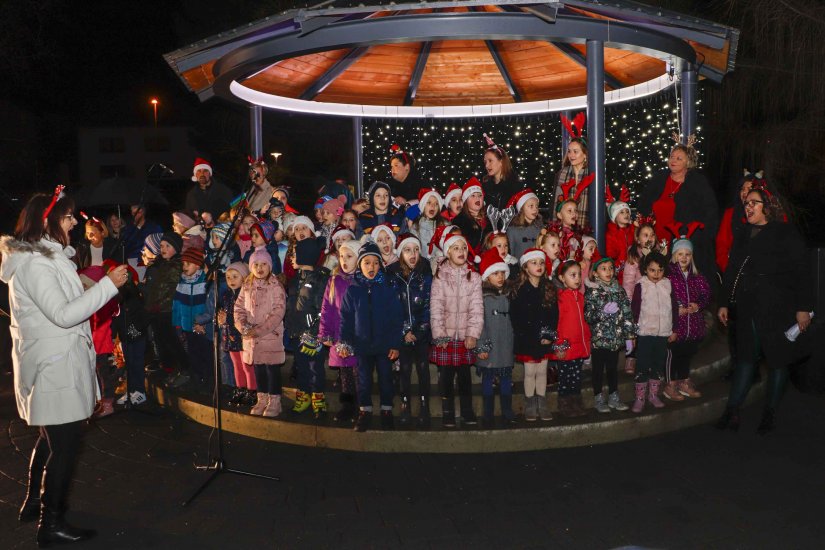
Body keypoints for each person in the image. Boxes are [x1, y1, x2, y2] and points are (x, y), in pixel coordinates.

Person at [0, 187, 129, 546]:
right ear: (49, 220)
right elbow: (63, 314)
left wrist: (88, 284)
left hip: (57, 361)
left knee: (51, 438)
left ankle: (33, 505)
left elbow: (63, 298)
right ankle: (50, 522)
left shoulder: (49, 258)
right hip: (54, 366)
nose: (75, 222)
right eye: (69, 216)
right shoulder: (37, 264)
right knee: (66, 445)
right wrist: (107, 286)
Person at [716, 184, 813, 434]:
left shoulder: (784, 232)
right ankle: (732, 410)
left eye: (753, 203)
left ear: (767, 207)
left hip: (778, 305)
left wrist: (804, 308)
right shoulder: (743, 233)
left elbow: (802, 271)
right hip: (748, 304)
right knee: (746, 358)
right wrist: (724, 302)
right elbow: (732, 270)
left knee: (778, 360)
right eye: (746, 203)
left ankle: (769, 413)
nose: (748, 207)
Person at [339, 241, 404, 432]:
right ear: (360, 264)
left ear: (380, 265)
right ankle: (364, 411)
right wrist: (345, 341)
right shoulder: (353, 290)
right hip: (362, 346)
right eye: (367, 262)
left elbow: (396, 318)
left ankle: (386, 411)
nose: (371, 267)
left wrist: (395, 344)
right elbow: (346, 319)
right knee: (363, 381)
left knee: (386, 379)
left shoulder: (388, 289)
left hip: (384, 346)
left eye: (375, 263)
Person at [637, 137, 718, 284]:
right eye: (672, 157)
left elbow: (710, 210)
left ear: (688, 162)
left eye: (679, 158)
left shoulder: (697, 182)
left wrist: (702, 235)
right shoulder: (659, 178)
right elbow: (643, 204)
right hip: (655, 239)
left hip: (682, 240)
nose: (673, 160)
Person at [429, 232, 483, 428]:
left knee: (464, 376)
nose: (461, 251)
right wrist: (440, 335)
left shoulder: (474, 277)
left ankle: (467, 410)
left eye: (464, 248)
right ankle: (448, 411)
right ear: (448, 252)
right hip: (446, 337)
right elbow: (436, 308)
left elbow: (477, 308)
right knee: (445, 376)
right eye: (456, 248)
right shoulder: (440, 277)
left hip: (464, 338)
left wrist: (472, 334)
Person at [387, 234, 433, 428]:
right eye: (407, 250)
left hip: (421, 334)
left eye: (416, 250)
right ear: (401, 253)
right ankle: (405, 404)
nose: (413, 254)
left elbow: (428, 305)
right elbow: (391, 307)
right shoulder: (392, 274)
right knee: (404, 370)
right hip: (402, 334)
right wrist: (404, 331)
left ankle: (424, 405)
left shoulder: (425, 272)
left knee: (423, 370)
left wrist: (419, 331)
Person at [235, 249, 287, 417]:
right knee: (259, 370)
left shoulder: (275, 286)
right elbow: (239, 308)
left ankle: (275, 401)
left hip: (270, 336)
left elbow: (278, 312)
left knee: (272, 370)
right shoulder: (247, 285)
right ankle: (262, 399)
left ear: (270, 266)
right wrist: (242, 326)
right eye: (256, 265)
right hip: (251, 338)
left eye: (264, 264)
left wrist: (258, 330)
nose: (260, 268)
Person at [664, 228, 711, 401]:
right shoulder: (668, 276)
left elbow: (706, 294)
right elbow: (663, 297)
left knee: (686, 354)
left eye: (688, 254)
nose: (684, 258)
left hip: (693, 326)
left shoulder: (697, 278)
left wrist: (698, 306)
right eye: (680, 254)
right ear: (674, 255)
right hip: (676, 325)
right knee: (673, 355)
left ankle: (684, 381)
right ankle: (670, 384)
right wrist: (676, 309)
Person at [511, 249, 557, 422]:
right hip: (527, 338)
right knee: (530, 372)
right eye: (534, 262)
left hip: (543, 337)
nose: (538, 266)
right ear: (525, 266)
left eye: (541, 262)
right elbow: (515, 316)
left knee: (542, 371)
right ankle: (530, 402)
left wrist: (549, 334)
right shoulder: (519, 289)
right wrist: (522, 335)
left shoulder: (549, 287)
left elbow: (554, 314)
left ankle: (542, 401)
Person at [286, 237, 330, 418]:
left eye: (295, 254)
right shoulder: (295, 279)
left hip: (312, 334)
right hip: (297, 332)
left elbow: (323, 308)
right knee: (301, 367)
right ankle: (303, 396)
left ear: (305, 256)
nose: (291, 257)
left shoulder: (320, 278)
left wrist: (314, 332)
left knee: (315, 367)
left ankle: (318, 399)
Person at [584, 257, 635, 413]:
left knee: (613, 369)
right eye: (603, 268)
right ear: (596, 273)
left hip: (615, 339)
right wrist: (602, 312)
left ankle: (614, 396)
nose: (608, 271)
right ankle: (598, 398)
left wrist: (629, 337)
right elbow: (588, 316)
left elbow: (627, 314)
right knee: (598, 370)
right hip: (599, 341)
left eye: (610, 268)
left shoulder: (619, 290)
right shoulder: (592, 291)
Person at [318, 239, 361, 423]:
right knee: (345, 374)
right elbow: (327, 307)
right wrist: (325, 332)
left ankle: (361, 407)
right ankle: (347, 406)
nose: (344, 260)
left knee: (359, 373)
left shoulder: (362, 281)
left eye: (349, 256)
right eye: (342, 256)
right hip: (338, 335)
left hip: (358, 335)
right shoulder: (334, 280)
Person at [630, 252, 678, 413]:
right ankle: (640, 398)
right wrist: (633, 333)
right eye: (652, 270)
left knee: (658, 364)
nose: (656, 274)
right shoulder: (641, 285)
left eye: (659, 270)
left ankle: (653, 395)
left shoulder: (668, 284)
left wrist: (674, 329)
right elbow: (634, 311)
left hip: (663, 333)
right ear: (645, 270)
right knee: (642, 365)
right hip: (645, 333)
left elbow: (674, 309)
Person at [475, 248, 516, 428]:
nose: (500, 277)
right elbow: (478, 323)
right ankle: (488, 413)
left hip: (506, 347)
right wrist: (482, 346)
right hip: (490, 348)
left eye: (502, 273)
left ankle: (508, 411)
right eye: (495, 273)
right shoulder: (482, 297)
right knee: (488, 382)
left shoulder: (509, 294)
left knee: (506, 382)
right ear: (486, 277)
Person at [552, 260, 591, 418]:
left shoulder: (581, 297)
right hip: (566, 348)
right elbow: (558, 324)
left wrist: (587, 340)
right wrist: (559, 346)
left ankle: (576, 403)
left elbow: (584, 322)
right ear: (562, 278)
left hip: (579, 347)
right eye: (572, 275)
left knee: (576, 378)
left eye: (579, 275)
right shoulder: (560, 298)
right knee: (565, 379)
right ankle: (565, 404)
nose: (577, 279)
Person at [220, 262, 257, 407]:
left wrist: (227, 318)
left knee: (246, 364)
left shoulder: (247, 295)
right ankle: (240, 388)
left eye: (235, 277)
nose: (231, 280)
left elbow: (245, 316)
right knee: (236, 364)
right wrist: (221, 319)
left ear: (244, 278)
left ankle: (252, 390)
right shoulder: (226, 295)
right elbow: (225, 313)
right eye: (228, 277)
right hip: (230, 335)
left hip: (243, 336)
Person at [715, 171, 756, 273]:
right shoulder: (730, 214)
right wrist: (727, 268)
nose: (745, 192)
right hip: (735, 271)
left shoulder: (769, 214)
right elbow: (722, 244)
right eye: (742, 189)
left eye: (750, 189)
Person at [554, 135, 591, 224]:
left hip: (588, 226)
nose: (571, 155)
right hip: (564, 227)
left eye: (575, 151)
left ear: (585, 154)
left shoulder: (593, 174)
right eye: (569, 151)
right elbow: (555, 202)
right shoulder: (561, 173)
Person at [481, 134, 522, 211]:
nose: (486, 165)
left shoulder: (516, 186)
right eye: (485, 162)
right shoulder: (484, 187)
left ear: (501, 162)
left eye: (490, 161)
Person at [452, 177, 489, 257]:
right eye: (473, 196)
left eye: (480, 195)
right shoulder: (459, 221)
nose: (477, 198)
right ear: (466, 200)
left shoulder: (490, 219)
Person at [506, 188, 542, 260]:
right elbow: (510, 256)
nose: (535, 209)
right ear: (522, 209)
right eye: (531, 206)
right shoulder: (512, 230)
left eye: (536, 206)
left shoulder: (540, 228)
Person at [409, 188, 443, 260]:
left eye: (436, 204)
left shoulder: (442, 226)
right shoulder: (415, 227)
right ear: (423, 206)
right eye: (429, 203)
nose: (433, 206)